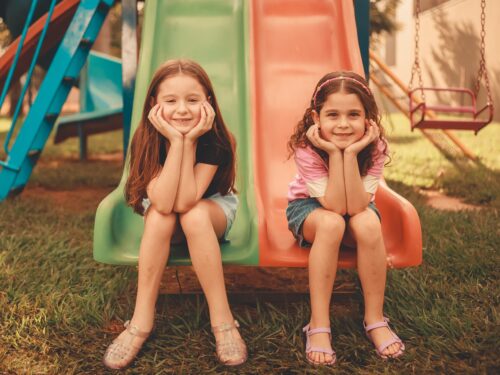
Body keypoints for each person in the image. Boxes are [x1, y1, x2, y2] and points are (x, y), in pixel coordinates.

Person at [103, 59, 247, 369]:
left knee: (192, 215)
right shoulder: (146, 139)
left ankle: (222, 319)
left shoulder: (217, 140)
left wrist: (189, 141)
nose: (182, 109)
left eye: (192, 100)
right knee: (158, 215)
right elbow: (167, 203)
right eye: (171, 101)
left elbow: (187, 202)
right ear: (154, 104)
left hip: (211, 212)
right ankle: (141, 321)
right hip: (165, 211)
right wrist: (176, 140)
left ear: (207, 102)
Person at [286, 71, 404, 366]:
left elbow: (358, 205)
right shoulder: (307, 147)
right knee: (331, 223)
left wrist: (350, 153)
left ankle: (375, 319)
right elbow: (335, 207)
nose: (342, 124)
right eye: (332, 115)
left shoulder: (375, 147)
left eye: (353, 115)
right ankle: (319, 324)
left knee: (367, 222)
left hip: (356, 206)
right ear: (316, 116)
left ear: (368, 118)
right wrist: (331, 152)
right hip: (309, 209)